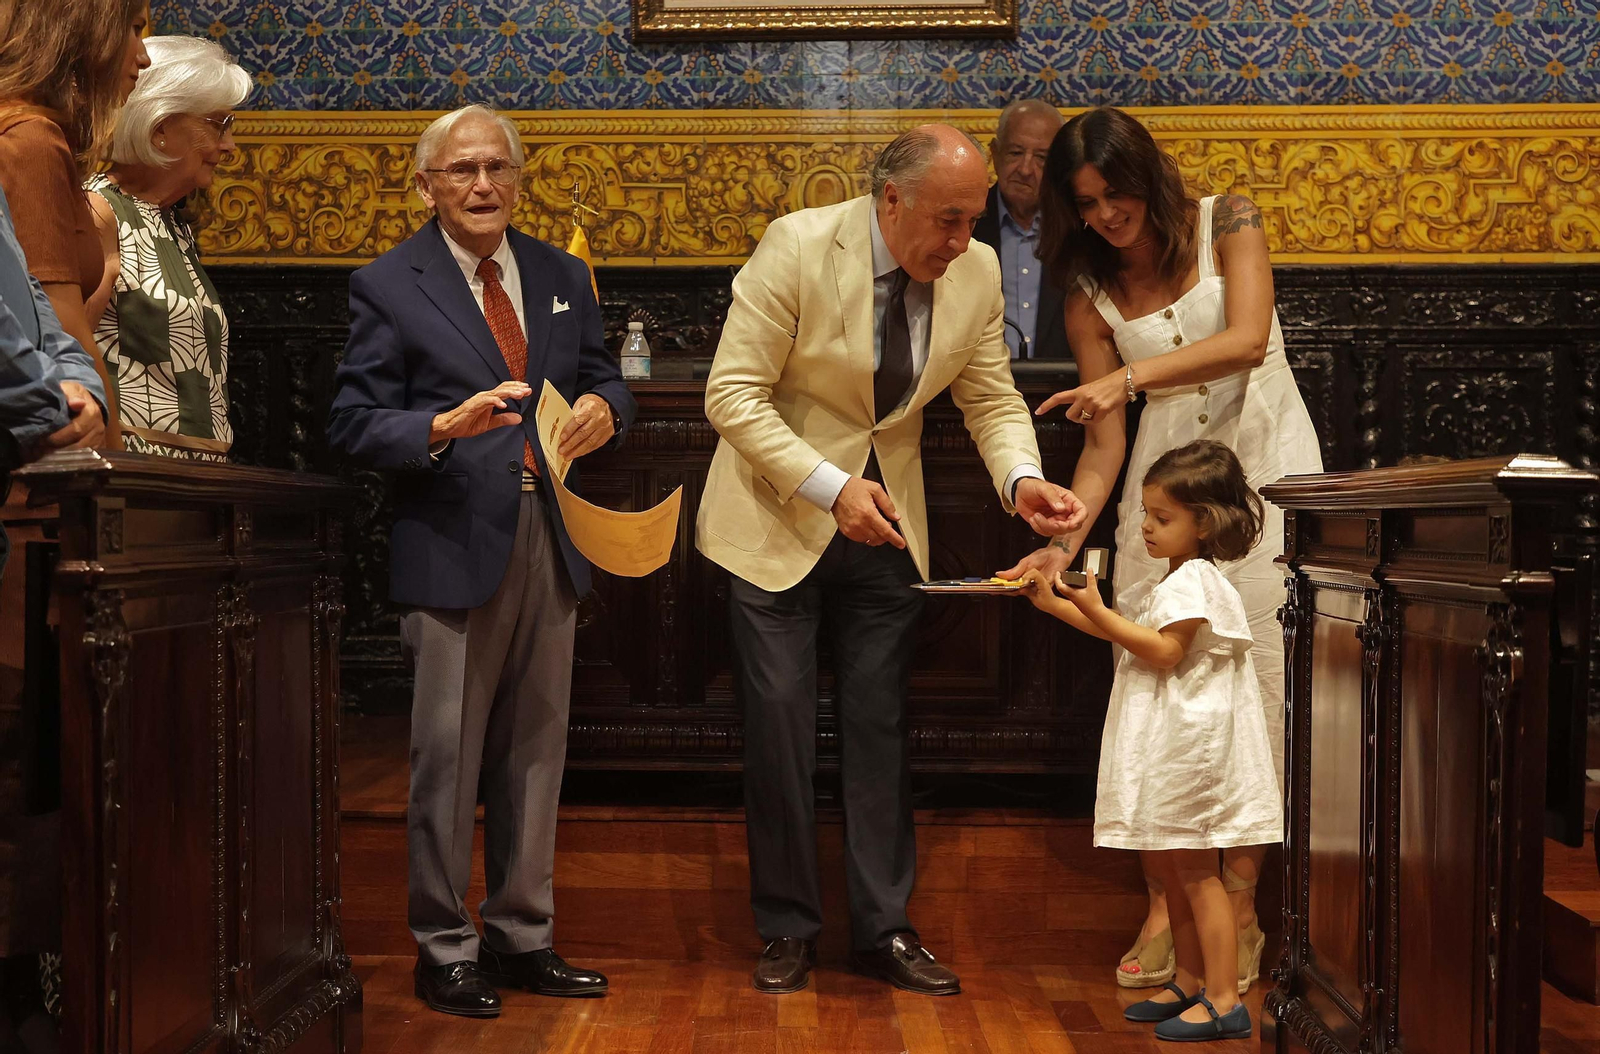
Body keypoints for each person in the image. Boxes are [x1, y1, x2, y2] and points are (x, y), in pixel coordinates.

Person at [697, 124, 1086, 997]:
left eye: (972, 220)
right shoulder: (797, 245)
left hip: (890, 530)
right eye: (947, 221)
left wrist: (1021, 479)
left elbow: (989, 396)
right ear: (890, 200)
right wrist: (830, 486)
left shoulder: (975, 270)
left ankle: (883, 929)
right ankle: (787, 928)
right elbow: (730, 394)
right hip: (775, 524)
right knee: (781, 730)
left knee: (879, 731)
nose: (962, 242)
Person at [1001, 105, 1323, 993]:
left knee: (1254, 693)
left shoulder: (1232, 221)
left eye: (1116, 193)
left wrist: (1127, 377)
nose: (1106, 216)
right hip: (1165, 501)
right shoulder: (1087, 290)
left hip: (1264, 479)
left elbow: (1249, 341)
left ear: (1148, 173)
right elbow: (1104, 444)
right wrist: (1063, 544)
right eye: (1086, 204)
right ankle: (1166, 903)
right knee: (1159, 695)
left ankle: (1244, 901)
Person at [326, 103, 635, 1019]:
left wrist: (609, 410)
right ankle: (443, 943)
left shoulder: (556, 272)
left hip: (556, 536)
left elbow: (606, 374)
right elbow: (350, 422)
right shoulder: (388, 284)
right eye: (462, 171)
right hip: (453, 541)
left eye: (498, 168)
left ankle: (521, 934)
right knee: (447, 756)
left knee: (536, 751)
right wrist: (440, 425)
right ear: (427, 185)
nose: (483, 186)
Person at [1020, 439, 1280, 1042]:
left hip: (1196, 753)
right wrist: (1057, 605)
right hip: (1173, 747)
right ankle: (1189, 980)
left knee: (1196, 873)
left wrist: (1092, 605)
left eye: (1162, 518)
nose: (1146, 527)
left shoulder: (1198, 581)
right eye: (1145, 513)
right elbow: (1138, 637)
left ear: (1205, 523)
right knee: (1176, 870)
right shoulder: (1180, 577)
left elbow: (1163, 651)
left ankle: (1222, 997)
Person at [84, 35, 250, 460]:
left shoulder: (173, 222)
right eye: (219, 125)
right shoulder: (99, 212)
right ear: (160, 129)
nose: (229, 145)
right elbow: (69, 347)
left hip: (195, 482)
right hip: (134, 477)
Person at [0, 0, 151, 439]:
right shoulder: (32, 138)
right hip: (43, 452)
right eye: (134, 29)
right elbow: (61, 324)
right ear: (86, 32)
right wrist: (112, 456)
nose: (143, 56)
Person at [973, 99, 1067, 360]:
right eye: (1015, 153)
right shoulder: (965, 225)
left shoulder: (1076, 230)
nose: (1025, 169)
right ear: (995, 153)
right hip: (978, 392)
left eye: (1041, 158)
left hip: (1061, 388)